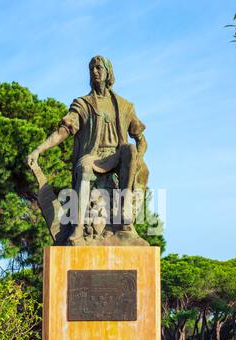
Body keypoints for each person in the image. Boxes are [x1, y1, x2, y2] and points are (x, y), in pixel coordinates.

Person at [27, 55, 149, 242]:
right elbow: (63, 131)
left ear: (108, 72)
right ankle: (77, 227)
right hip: (93, 156)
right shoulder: (83, 103)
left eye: (99, 68)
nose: (94, 71)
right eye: (91, 68)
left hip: (116, 156)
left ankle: (125, 215)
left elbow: (141, 141)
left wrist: (138, 160)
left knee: (130, 150)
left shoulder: (125, 106)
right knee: (84, 167)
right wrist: (39, 150)